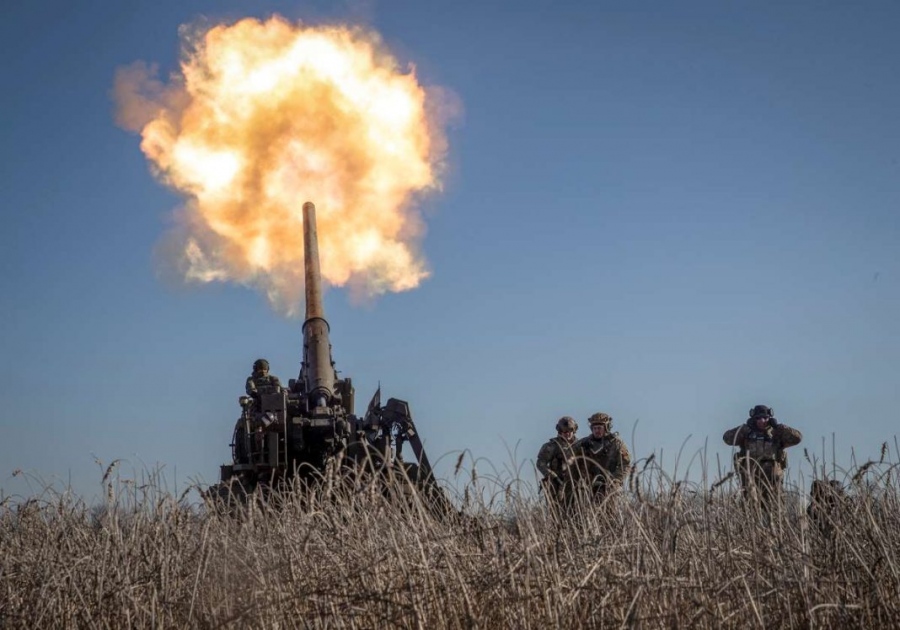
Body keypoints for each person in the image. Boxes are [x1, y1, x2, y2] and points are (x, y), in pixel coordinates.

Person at [723, 404, 802, 504]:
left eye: (765, 418)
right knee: (750, 507)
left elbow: (797, 438)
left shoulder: (776, 432)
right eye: (758, 418)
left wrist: (779, 427)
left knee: (775, 508)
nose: (762, 421)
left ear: (769, 418)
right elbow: (727, 438)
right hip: (751, 481)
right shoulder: (747, 432)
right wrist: (743, 429)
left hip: (773, 482)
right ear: (754, 419)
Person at [572, 412, 632, 502]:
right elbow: (570, 461)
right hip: (587, 487)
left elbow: (625, 465)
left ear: (606, 428)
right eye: (594, 428)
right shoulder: (582, 444)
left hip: (610, 486)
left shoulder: (616, 444)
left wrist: (615, 480)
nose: (597, 431)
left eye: (599, 428)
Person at [536, 416, 579, 505]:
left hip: (576, 484)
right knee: (557, 510)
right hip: (557, 485)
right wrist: (553, 476)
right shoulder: (552, 446)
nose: (567, 434)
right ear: (560, 431)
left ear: (574, 430)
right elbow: (540, 463)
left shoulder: (581, 445)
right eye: (564, 431)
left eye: (570, 431)